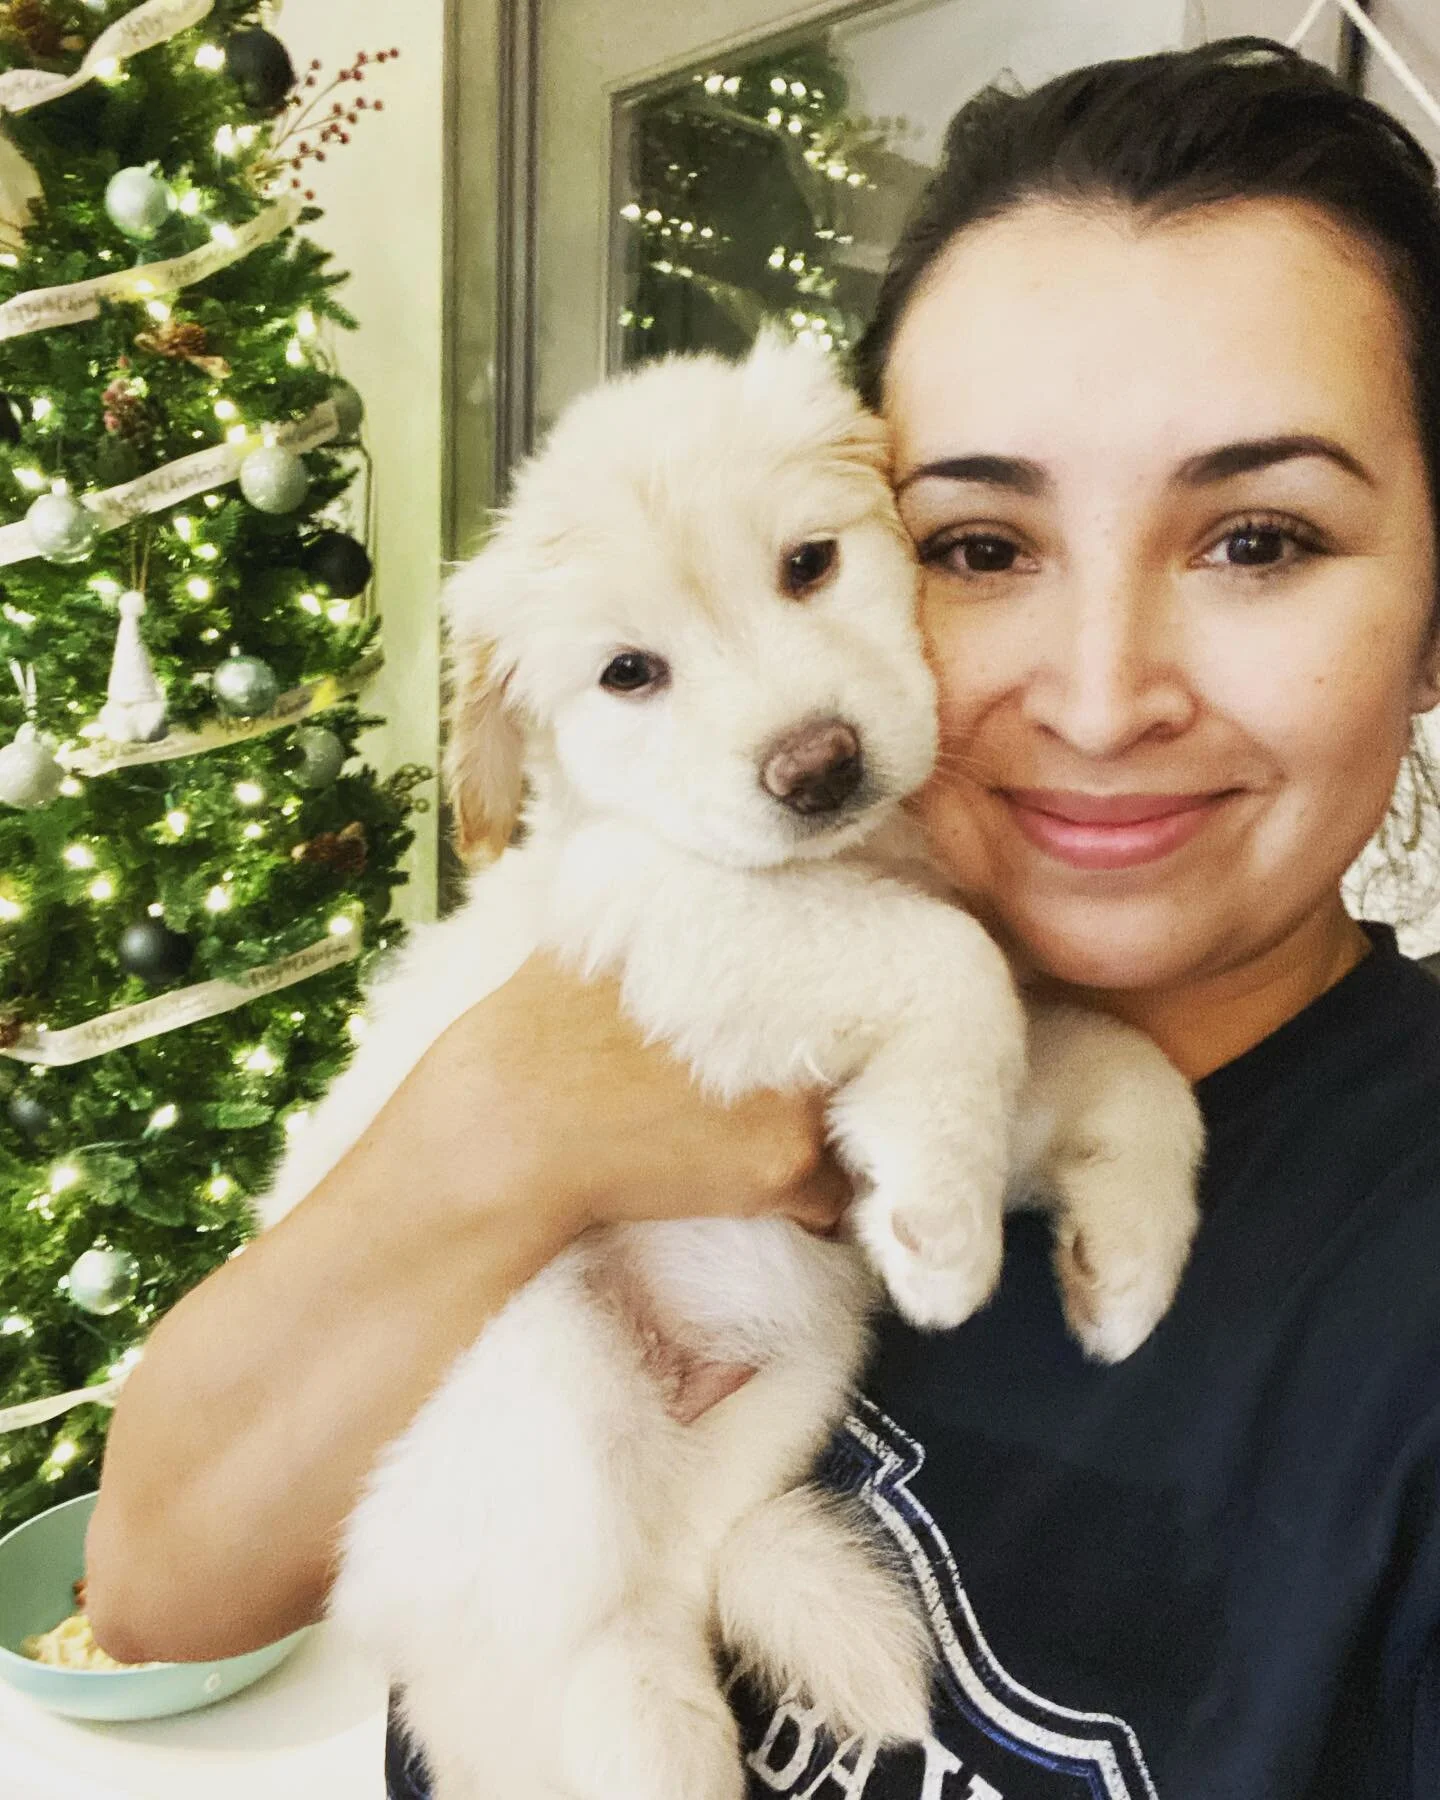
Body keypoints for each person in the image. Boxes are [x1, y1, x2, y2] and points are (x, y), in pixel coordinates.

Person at [86, 35, 1440, 1799]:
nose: (1104, 700)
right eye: (978, 546)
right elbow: (157, 1598)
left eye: (1259, 539)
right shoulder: (576, 1011)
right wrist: (502, 1122)